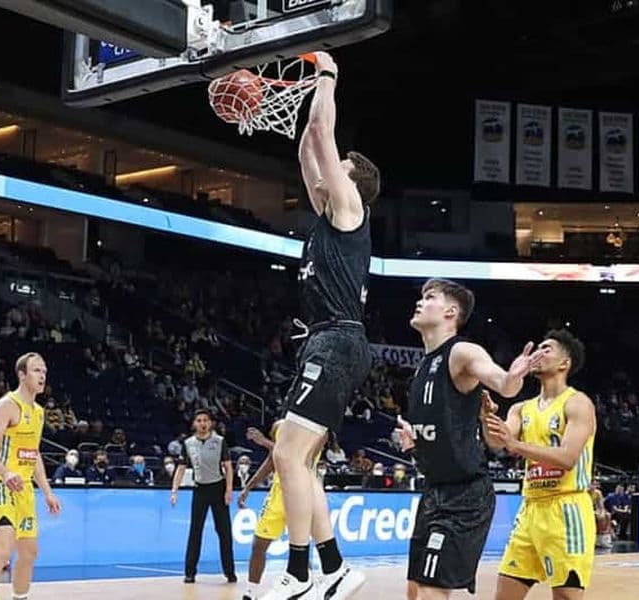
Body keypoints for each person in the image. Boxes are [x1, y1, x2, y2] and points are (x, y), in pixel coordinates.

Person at [263, 49, 380, 600]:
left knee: (287, 454)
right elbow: (309, 142)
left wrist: (328, 74)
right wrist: (308, 106)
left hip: (337, 341)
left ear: (353, 182)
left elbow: (322, 132)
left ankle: (299, 573)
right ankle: (333, 568)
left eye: (341, 168)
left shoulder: (351, 207)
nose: (331, 172)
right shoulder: (328, 218)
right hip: (326, 342)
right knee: (301, 462)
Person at [398, 278, 544, 599]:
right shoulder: (423, 366)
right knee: (414, 590)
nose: (420, 302)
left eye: (430, 297)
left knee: (431, 591)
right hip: (434, 491)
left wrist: (512, 376)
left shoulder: (461, 351)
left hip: (464, 495)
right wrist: (414, 445)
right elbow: (442, 435)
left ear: (451, 312)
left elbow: (503, 384)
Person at [482, 329, 597, 599]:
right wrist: (485, 417)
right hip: (530, 509)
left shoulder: (578, 403)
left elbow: (568, 458)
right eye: (538, 348)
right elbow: (497, 443)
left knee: (566, 597)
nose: (538, 353)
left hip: (566, 509)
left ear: (564, 363)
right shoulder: (521, 408)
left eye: (547, 349)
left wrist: (516, 444)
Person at [0, 353, 61, 600]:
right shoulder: (6, 405)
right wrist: (6, 472)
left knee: (29, 552)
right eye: (36, 370)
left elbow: (34, 454)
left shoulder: (39, 412)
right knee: (2, 553)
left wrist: (48, 492)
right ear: (22, 375)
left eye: (44, 371)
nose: (42, 376)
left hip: (24, 489)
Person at [239, 421, 326, 600]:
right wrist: (248, 487)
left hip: (302, 495)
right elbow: (271, 461)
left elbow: (296, 457)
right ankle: (250, 593)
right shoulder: (280, 427)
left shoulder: (314, 433)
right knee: (258, 546)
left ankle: (306, 588)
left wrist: (263, 441)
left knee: (300, 548)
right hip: (277, 497)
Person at [170, 409, 236, 584]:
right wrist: (174, 490)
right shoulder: (188, 443)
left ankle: (230, 572)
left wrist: (229, 490)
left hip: (218, 488)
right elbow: (181, 468)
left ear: (211, 423)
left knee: (224, 531)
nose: (202, 423)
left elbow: (228, 467)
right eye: (199, 420)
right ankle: (190, 572)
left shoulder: (220, 441)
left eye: (205, 420)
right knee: (195, 531)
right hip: (200, 490)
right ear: (194, 424)